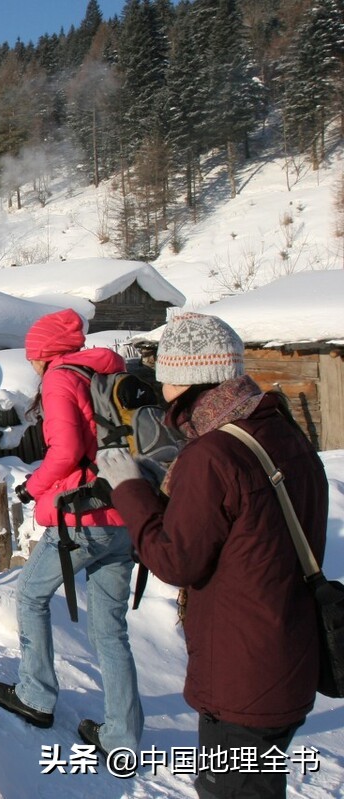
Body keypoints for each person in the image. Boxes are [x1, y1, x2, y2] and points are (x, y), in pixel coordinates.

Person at [96, 312, 328, 799]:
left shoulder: (212, 454)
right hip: (287, 656)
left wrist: (130, 489)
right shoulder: (280, 432)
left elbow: (175, 560)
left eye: (164, 377)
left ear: (183, 379)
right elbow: (245, 533)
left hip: (242, 678)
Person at [0, 308, 143, 755]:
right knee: (111, 630)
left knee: (31, 596)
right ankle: (122, 736)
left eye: (32, 355)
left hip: (82, 515)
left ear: (43, 353)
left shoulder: (60, 378)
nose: (32, 364)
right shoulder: (105, 374)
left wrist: (32, 488)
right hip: (124, 510)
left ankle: (35, 695)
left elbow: (69, 448)